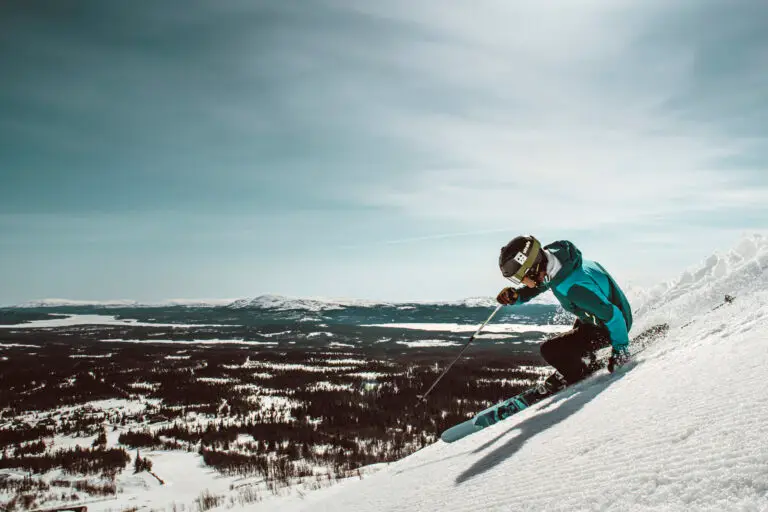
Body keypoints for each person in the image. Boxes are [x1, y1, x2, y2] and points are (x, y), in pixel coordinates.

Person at [496, 235, 633, 392]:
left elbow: (613, 316)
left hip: (613, 325)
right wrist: (518, 296)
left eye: (523, 277)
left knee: (550, 350)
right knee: (572, 337)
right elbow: (542, 284)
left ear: (533, 269)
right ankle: (585, 359)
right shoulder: (558, 262)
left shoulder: (574, 288)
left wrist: (620, 352)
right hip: (599, 316)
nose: (523, 282)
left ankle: (578, 372)